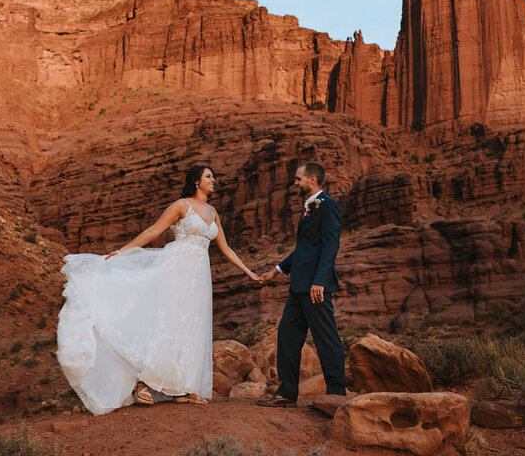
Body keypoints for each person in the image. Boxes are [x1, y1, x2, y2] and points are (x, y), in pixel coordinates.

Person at [56, 165, 260, 414]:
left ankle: (182, 388)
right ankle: (142, 381)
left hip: (199, 276)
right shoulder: (181, 205)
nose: (213, 180)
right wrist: (122, 252)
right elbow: (153, 230)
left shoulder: (213, 211)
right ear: (197, 181)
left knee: (191, 327)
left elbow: (225, 247)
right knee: (168, 323)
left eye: (213, 176)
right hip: (175, 268)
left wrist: (248, 271)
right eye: (209, 176)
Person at [256, 162, 346, 407]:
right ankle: (287, 393)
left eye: (298, 179)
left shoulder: (328, 206)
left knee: (325, 338)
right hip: (299, 287)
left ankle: (336, 394)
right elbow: (304, 250)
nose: (294, 183)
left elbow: (330, 246)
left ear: (312, 181)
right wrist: (276, 271)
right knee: (287, 335)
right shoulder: (308, 208)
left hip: (315, 287)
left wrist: (320, 281)